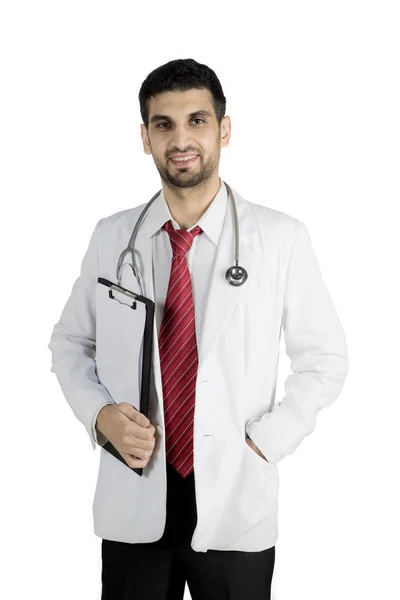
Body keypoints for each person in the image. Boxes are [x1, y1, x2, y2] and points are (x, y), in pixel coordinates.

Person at [48, 58, 349, 599]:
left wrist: (267, 441)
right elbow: (70, 342)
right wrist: (99, 417)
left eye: (197, 120)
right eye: (163, 124)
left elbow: (324, 360)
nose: (181, 139)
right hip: (135, 495)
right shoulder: (113, 237)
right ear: (145, 137)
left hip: (235, 499)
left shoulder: (280, 239)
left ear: (224, 129)